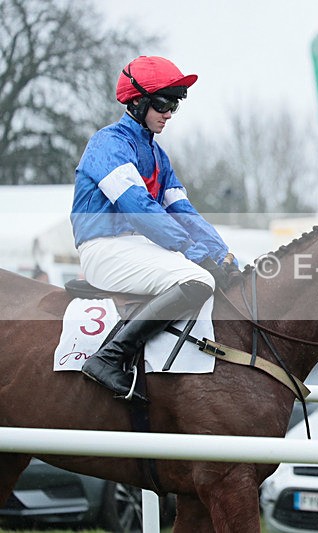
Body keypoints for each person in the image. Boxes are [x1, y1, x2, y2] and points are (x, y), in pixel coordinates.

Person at [70, 56, 240, 403]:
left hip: (138, 248)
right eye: (163, 104)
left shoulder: (158, 156)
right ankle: (108, 358)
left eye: (175, 105)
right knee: (198, 280)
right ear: (137, 101)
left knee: (212, 274)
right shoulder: (108, 144)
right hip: (104, 248)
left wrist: (223, 255)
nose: (170, 113)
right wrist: (195, 254)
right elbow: (140, 210)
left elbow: (184, 213)